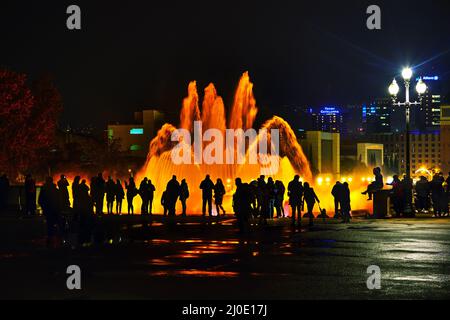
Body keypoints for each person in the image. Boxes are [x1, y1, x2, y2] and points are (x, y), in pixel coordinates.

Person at [38, 177, 62, 247]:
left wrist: (44, 207)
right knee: (57, 222)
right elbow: (59, 200)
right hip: (55, 209)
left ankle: (50, 238)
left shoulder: (44, 189)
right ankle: (58, 237)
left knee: (49, 224)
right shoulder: (56, 190)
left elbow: (40, 200)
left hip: (48, 209)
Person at [77, 179, 94, 247]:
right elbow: (88, 188)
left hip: (83, 214)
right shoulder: (84, 188)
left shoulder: (80, 186)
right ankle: (86, 239)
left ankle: (83, 240)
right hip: (86, 214)